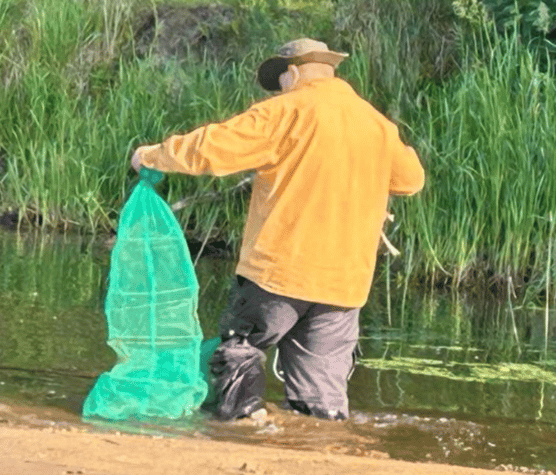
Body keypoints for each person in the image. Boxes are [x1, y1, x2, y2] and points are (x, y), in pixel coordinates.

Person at [130, 38, 425, 421]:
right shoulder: (377, 124)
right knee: (321, 408)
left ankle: (240, 427)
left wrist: (151, 155)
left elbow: (213, 147)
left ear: (294, 73)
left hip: (279, 274)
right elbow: (411, 179)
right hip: (344, 286)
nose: (279, 87)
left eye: (281, 79)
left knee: (239, 353)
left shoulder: (285, 111)